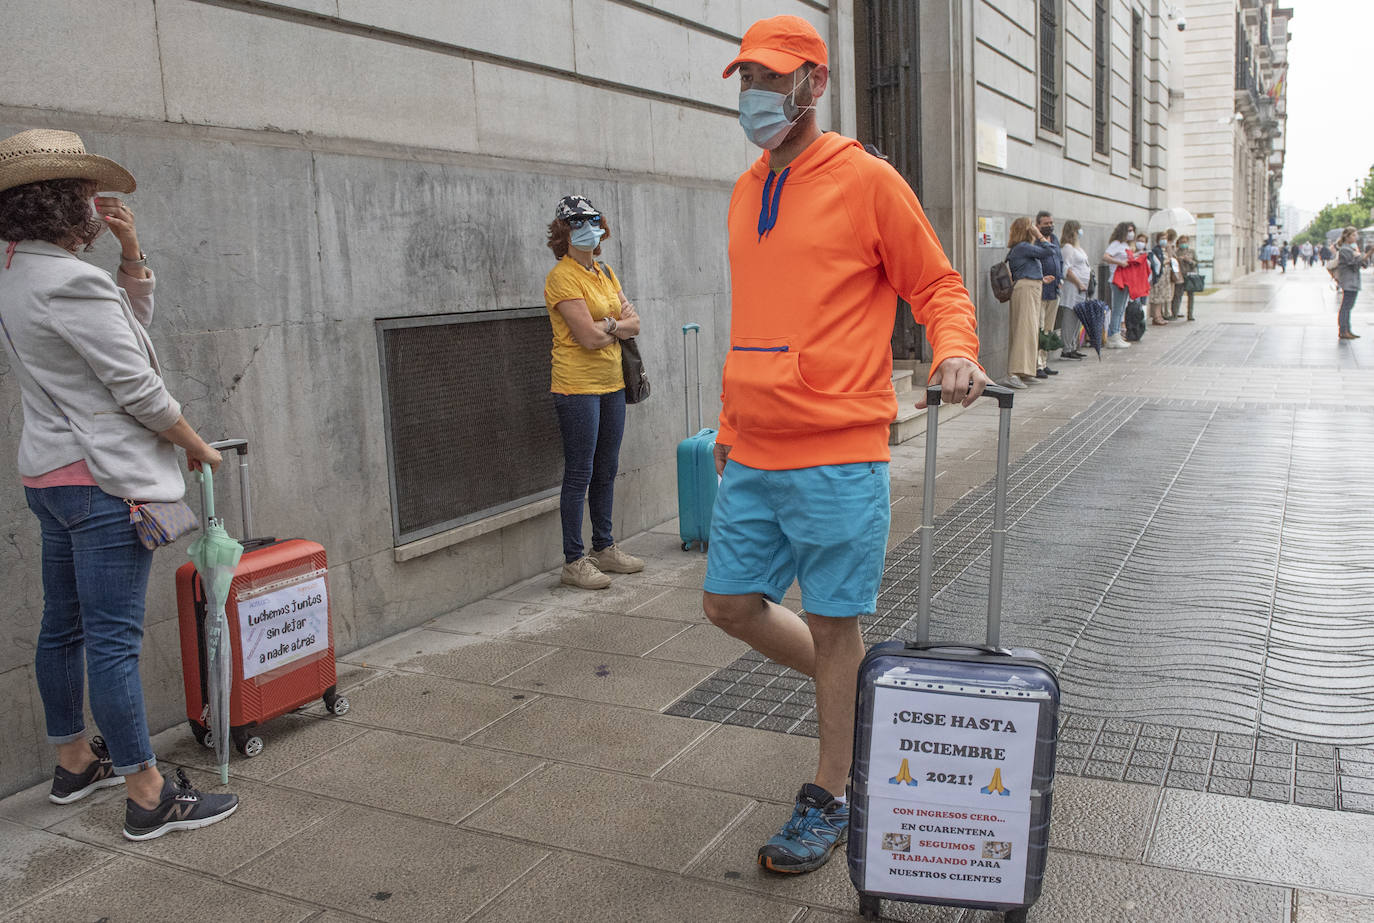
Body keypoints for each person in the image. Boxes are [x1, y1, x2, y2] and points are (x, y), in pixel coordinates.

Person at [704, 15, 987, 876]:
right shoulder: (746, 187)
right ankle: (867, 696)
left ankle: (834, 791)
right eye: (747, 77)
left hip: (836, 450)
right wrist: (726, 424)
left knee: (834, 625)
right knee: (728, 604)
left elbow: (935, 282)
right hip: (751, 451)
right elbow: (753, 320)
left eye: (772, 77)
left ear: (814, 85)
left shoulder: (867, 180)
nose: (756, 94)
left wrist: (956, 348)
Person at [0, 129, 238, 840]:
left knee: (63, 626)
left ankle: (75, 759)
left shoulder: (16, 271)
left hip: (51, 477)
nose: (94, 208)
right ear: (61, 206)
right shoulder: (70, 281)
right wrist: (198, 446)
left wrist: (132, 258)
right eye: (82, 197)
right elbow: (137, 383)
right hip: (102, 482)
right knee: (110, 640)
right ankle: (149, 792)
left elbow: (121, 337)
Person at [543, 194, 644, 589]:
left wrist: (610, 326)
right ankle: (573, 560)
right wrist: (612, 326)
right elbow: (586, 337)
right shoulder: (561, 277)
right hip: (576, 387)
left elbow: (634, 324)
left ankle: (604, 547)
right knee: (580, 472)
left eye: (592, 220)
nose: (586, 228)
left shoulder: (604, 272)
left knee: (606, 469)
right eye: (576, 222)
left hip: (612, 384)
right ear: (564, 232)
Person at [1003, 217, 1059, 388]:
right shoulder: (1022, 247)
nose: (1035, 229)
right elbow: (1050, 251)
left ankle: (1025, 371)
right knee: (1023, 330)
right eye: (1032, 227)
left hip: (1032, 287)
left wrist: (1040, 279)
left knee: (1030, 331)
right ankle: (1014, 373)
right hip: (1026, 290)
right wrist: (1040, 236)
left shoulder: (1022, 249)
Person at [1034, 211, 1063, 376]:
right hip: (1041, 290)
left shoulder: (1055, 239)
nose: (1050, 226)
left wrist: (1061, 278)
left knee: (1048, 329)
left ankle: (1044, 362)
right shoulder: (1035, 242)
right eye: (1046, 224)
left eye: (1051, 223)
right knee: (1039, 326)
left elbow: (1059, 259)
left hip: (1055, 290)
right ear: (1038, 225)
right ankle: (1037, 364)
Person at [1058, 219, 1090, 358]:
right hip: (1073, 287)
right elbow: (1067, 269)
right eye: (1078, 230)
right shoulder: (1068, 248)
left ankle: (1073, 344)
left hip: (1082, 288)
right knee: (1070, 316)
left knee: (1078, 316)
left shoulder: (1078, 248)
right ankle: (1067, 347)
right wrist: (1078, 283)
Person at [1102, 222, 1135, 348]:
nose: (1132, 233)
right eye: (1129, 230)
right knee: (1117, 308)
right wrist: (1119, 262)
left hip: (1126, 279)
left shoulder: (1126, 245)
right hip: (1117, 279)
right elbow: (1106, 257)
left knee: (1121, 308)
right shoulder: (1116, 244)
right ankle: (1113, 335)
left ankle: (1116, 334)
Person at [1335, 225, 1363, 339]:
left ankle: (1347, 329)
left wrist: (1359, 254)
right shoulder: (1345, 250)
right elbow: (1352, 264)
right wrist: (1357, 256)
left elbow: (1362, 264)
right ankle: (1343, 330)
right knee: (1346, 307)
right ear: (1348, 236)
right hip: (1348, 282)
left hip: (1353, 282)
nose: (1356, 237)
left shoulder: (1352, 249)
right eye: (1354, 235)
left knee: (1348, 306)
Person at [1148, 231, 1173, 326]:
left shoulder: (1166, 250)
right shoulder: (1156, 250)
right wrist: (1167, 261)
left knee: (1162, 297)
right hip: (1158, 277)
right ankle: (1156, 316)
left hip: (1165, 277)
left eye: (1165, 239)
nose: (1164, 241)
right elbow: (1158, 263)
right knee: (1157, 298)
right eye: (1162, 238)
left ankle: (1160, 315)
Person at [1173, 233, 1197, 320]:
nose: (1183, 243)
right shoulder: (1176, 252)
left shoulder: (1192, 251)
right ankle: (1175, 313)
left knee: (1191, 295)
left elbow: (1196, 263)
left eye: (1185, 242)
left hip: (1190, 276)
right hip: (1180, 276)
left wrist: (1190, 261)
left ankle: (1190, 314)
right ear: (1178, 243)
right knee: (1177, 295)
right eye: (1181, 242)